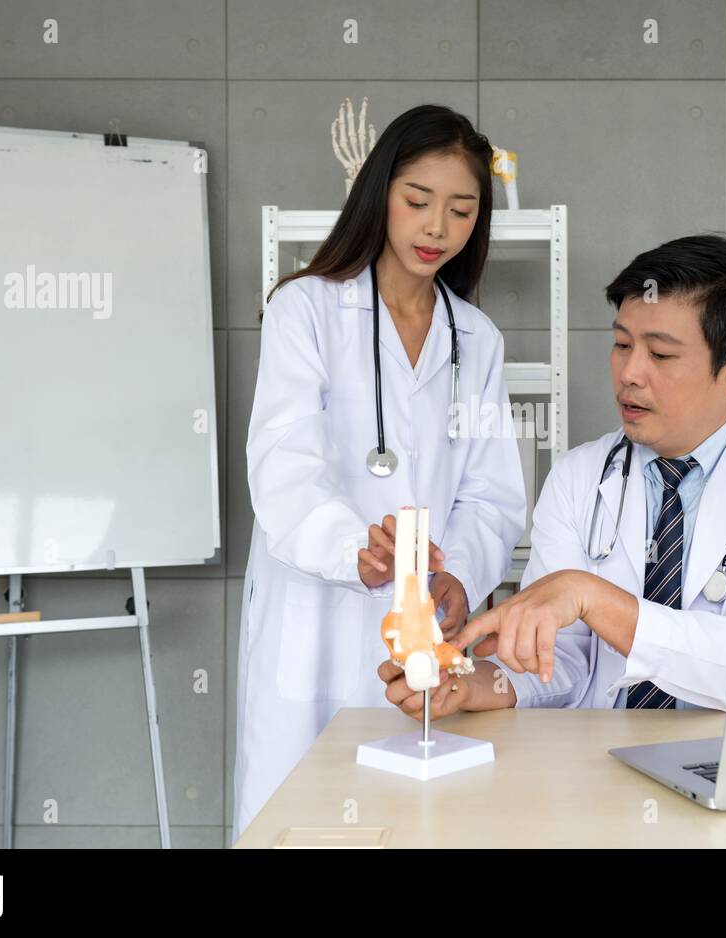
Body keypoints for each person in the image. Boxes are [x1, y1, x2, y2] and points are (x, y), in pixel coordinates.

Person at [378, 233, 726, 718]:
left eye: (661, 355)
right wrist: (473, 684)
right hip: (602, 761)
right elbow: (561, 659)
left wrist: (591, 596)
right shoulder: (578, 476)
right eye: (622, 344)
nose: (629, 372)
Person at [235, 104, 526, 838]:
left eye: (461, 210)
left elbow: (492, 492)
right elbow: (284, 461)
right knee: (299, 822)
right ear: (378, 194)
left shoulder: (477, 341)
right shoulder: (305, 309)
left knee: (413, 822)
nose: (437, 228)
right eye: (417, 201)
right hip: (314, 612)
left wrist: (457, 570)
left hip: (423, 623)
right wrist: (350, 547)